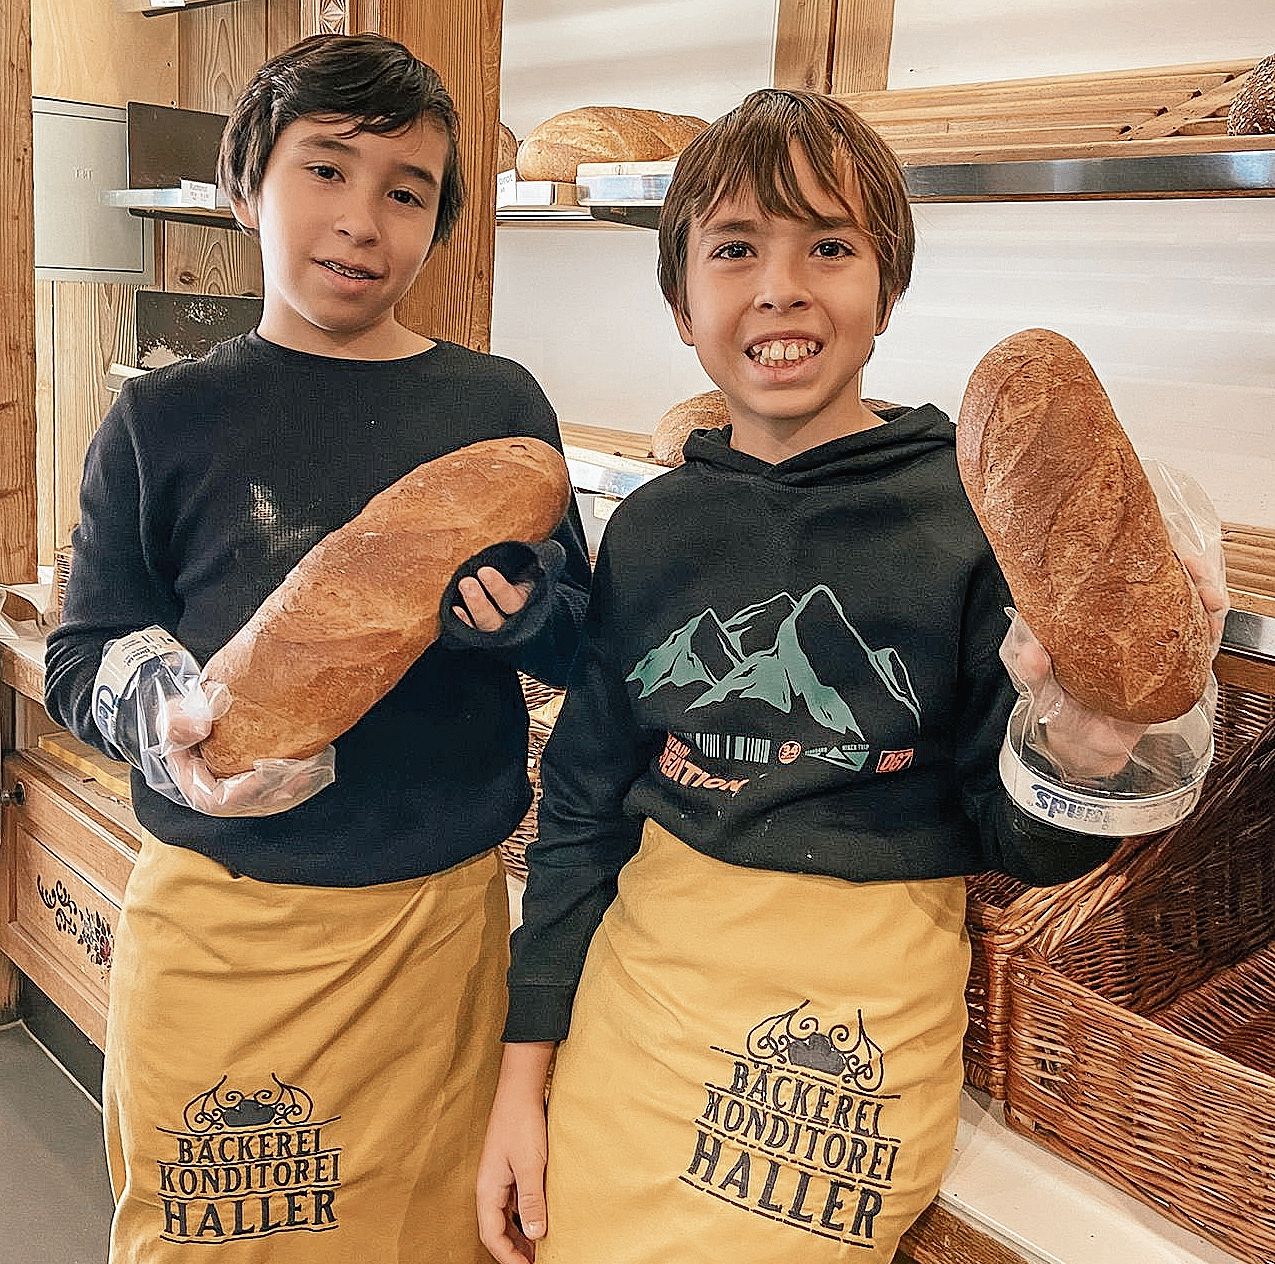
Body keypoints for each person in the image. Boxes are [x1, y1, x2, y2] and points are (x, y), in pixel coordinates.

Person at [476, 88, 1226, 1264]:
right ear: (681, 303)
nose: (782, 287)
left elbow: (1015, 840)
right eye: (736, 249)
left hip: (849, 1034)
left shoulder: (968, 519)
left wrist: (1084, 747)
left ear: (886, 288)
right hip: (642, 1004)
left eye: (829, 246)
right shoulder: (657, 527)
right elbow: (579, 811)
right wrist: (524, 1077)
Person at [44, 33, 589, 1264]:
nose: (361, 220)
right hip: (216, 926)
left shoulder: (494, 408)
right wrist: (164, 713)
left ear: (439, 221)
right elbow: (84, 656)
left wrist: (532, 619)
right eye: (327, 170)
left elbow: (581, 648)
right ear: (248, 185)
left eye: (405, 191)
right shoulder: (162, 416)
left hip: (428, 935)